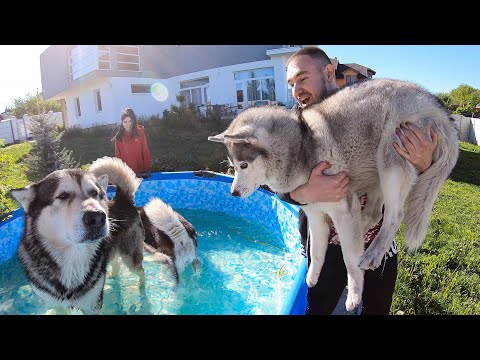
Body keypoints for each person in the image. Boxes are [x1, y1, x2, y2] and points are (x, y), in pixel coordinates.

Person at [278, 46, 438, 315]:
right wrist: (303, 192)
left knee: (377, 310)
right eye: (292, 83)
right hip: (325, 249)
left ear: (329, 72)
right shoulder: (294, 125)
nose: (297, 90)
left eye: (303, 79)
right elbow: (277, 181)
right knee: (317, 310)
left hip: (377, 246)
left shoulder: (372, 110)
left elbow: (405, 169)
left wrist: (424, 165)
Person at [112, 107, 151, 177]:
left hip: (141, 171)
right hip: (127, 173)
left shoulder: (140, 133)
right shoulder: (119, 137)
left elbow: (145, 151)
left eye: (130, 121)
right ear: (122, 123)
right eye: (125, 122)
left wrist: (146, 169)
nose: (128, 124)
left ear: (133, 121)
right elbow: (118, 157)